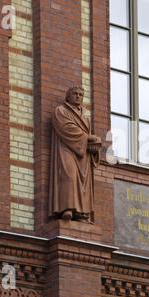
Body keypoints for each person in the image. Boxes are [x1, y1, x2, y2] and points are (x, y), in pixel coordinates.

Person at [49, 86, 101, 222]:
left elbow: (87, 136)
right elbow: (66, 128)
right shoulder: (60, 111)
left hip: (83, 154)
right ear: (68, 96)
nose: (78, 96)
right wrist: (88, 138)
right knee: (69, 176)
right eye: (75, 94)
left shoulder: (86, 117)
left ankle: (81, 213)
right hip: (66, 150)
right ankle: (66, 208)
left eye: (81, 94)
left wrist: (94, 145)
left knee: (84, 183)